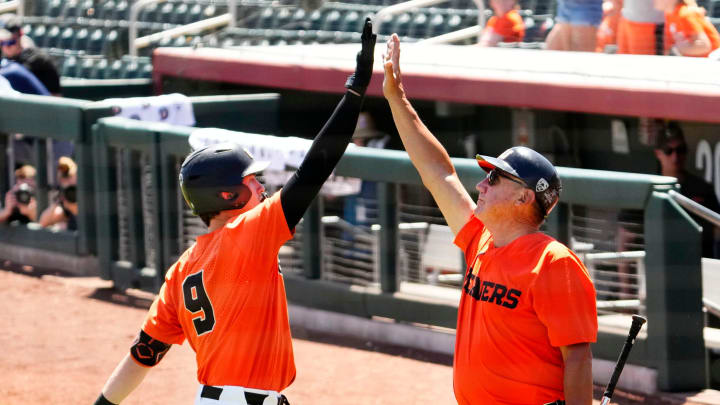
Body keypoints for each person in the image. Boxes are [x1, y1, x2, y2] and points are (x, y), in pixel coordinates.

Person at [92, 18, 376, 405]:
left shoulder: (181, 271)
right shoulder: (249, 233)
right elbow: (316, 167)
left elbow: (145, 353)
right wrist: (355, 94)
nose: (261, 185)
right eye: (252, 180)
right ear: (227, 195)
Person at [382, 34, 598, 404]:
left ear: (523, 197)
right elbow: (439, 173)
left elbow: (577, 357)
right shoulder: (480, 241)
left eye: (495, 177)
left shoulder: (553, 263)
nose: (481, 184)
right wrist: (396, 98)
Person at [653, 121, 720, 257]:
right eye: (669, 151)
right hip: (660, 263)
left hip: (699, 263)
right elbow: (626, 235)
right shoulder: (649, 188)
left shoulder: (702, 188)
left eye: (680, 150)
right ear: (658, 153)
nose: (675, 157)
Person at [1, 18, 61, 95]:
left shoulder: (40, 61)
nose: (6, 47)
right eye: (2, 43)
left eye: (10, 42)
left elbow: (56, 98)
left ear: (20, 34)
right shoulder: (3, 60)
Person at [654, 0, 720, 56]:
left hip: (712, 61)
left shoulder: (685, 14)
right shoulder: (669, 15)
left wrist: (675, 50)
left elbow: (704, 46)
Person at [39, 157, 78, 231]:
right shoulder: (65, 202)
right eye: (63, 176)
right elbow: (43, 223)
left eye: (68, 176)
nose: (66, 180)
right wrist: (59, 199)